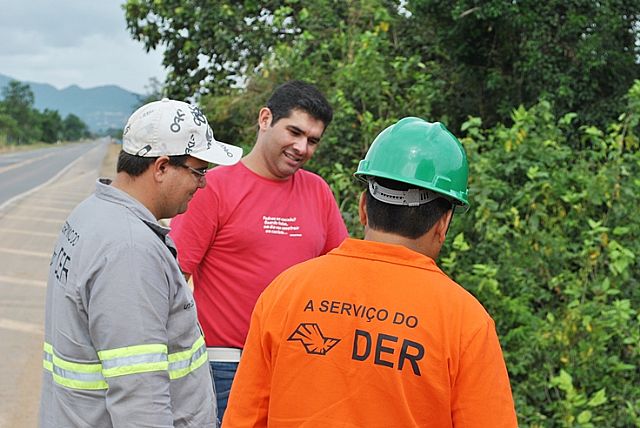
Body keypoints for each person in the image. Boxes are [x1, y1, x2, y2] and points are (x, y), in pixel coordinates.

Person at [223, 117, 518, 427]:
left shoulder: (286, 292)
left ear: (363, 206)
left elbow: (244, 418)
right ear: (443, 224)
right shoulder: (466, 323)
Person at [39, 98, 243, 428]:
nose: (203, 183)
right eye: (198, 171)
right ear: (161, 167)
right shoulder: (130, 250)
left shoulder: (91, 214)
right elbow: (140, 398)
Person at [169, 80, 349, 419]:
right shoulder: (214, 187)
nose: (301, 147)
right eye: (294, 132)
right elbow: (173, 278)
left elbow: (341, 274)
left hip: (297, 366)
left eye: (312, 140)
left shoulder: (318, 192)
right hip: (227, 369)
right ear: (265, 119)